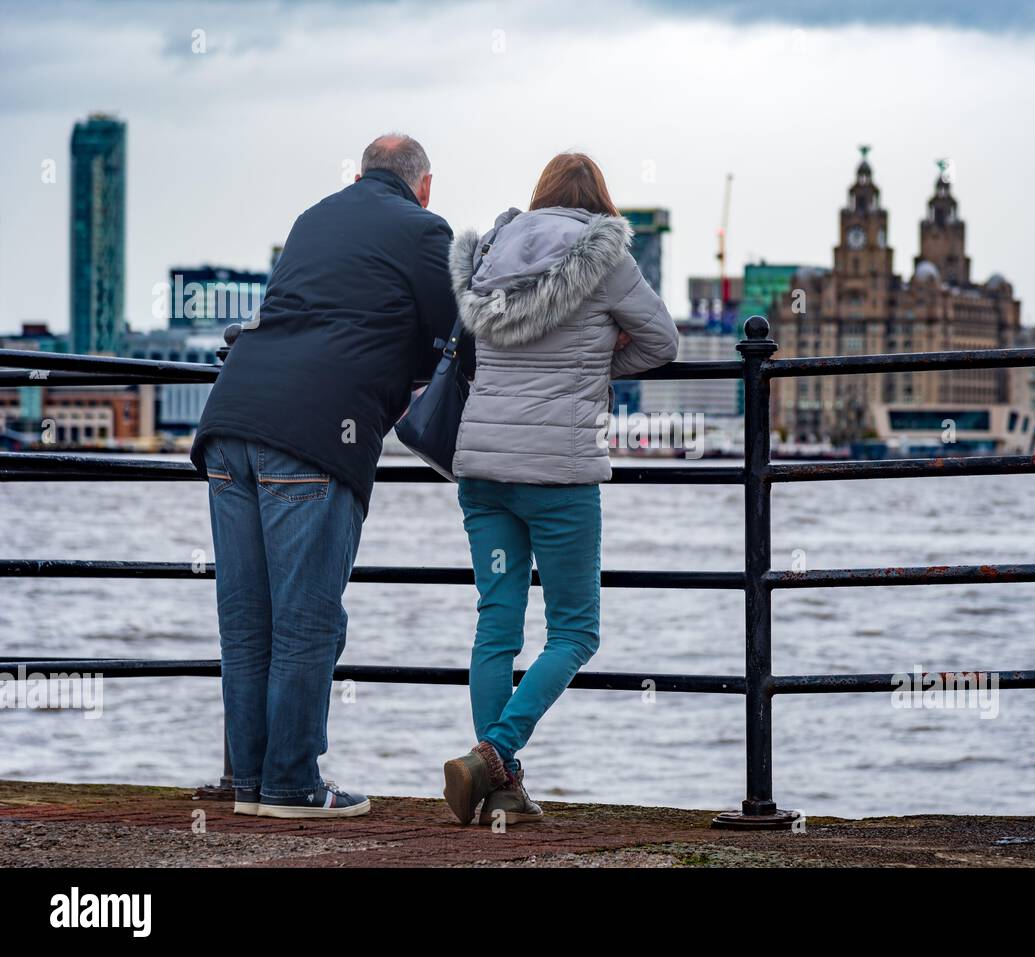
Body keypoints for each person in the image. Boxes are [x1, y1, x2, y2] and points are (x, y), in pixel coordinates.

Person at [192, 133, 467, 818]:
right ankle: (290, 784)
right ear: (424, 185)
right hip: (314, 435)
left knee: (247, 619)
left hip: (230, 421)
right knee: (308, 620)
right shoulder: (425, 229)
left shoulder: (313, 218)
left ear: (360, 174)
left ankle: (250, 784)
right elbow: (457, 331)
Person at [440, 152, 678, 826]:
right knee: (575, 629)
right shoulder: (604, 255)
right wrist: (601, 364)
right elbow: (663, 340)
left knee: (496, 625)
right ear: (598, 198)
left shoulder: (489, 252)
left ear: (539, 196)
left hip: (482, 469)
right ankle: (495, 754)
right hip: (559, 472)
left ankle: (502, 789)